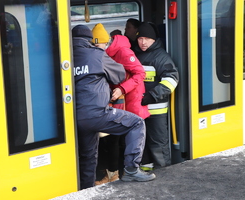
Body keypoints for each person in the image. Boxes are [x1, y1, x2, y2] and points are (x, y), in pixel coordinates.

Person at [72, 24, 156, 190]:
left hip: (74, 117)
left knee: (88, 156)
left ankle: (85, 190)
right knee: (136, 123)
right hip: (97, 114)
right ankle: (131, 169)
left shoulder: (65, 56)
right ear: (89, 39)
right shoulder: (96, 54)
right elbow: (118, 74)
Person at [91, 23, 150, 185]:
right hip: (118, 101)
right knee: (114, 139)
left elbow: (140, 73)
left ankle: (123, 172)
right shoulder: (105, 53)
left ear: (106, 42)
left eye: (98, 45)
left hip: (130, 100)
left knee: (121, 138)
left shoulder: (123, 51)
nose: (96, 48)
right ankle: (115, 173)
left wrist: (122, 89)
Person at [135, 22, 179, 169]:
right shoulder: (134, 53)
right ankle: (146, 171)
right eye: (140, 38)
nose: (143, 42)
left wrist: (152, 95)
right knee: (142, 143)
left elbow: (172, 79)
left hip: (156, 110)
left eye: (147, 39)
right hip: (139, 109)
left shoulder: (161, 56)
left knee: (158, 145)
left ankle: (164, 174)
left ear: (154, 40)